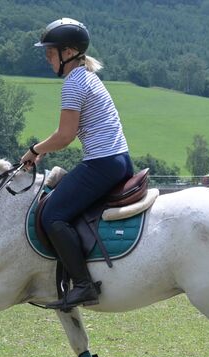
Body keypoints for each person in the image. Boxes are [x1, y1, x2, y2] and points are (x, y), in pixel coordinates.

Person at [21, 18, 134, 310]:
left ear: (68, 52)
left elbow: (65, 136)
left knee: (53, 215)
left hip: (102, 162)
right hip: (118, 159)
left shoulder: (74, 83)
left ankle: (84, 285)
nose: (47, 58)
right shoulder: (88, 76)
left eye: (50, 52)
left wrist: (35, 149)